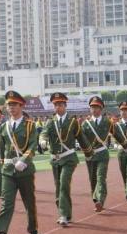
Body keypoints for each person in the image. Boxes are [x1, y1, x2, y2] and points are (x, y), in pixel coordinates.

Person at [0, 90, 40, 234]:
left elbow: (33, 145)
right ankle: (1, 233)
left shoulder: (30, 125)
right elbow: (3, 148)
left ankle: (33, 229)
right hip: (8, 171)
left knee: (29, 202)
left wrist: (24, 160)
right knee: (7, 203)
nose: (11, 107)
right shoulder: (4, 127)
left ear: (21, 105)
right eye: (9, 104)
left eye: (14, 104)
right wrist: (4, 163)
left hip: (25, 169)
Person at [39, 92, 93, 226]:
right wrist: (42, 140)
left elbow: (81, 137)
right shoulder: (51, 122)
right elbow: (44, 133)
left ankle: (63, 214)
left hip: (69, 158)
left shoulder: (72, 122)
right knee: (59, 187)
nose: (58, 107)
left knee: (63, 183)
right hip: (55, 159)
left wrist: (88, 153)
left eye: (60, 104)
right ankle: (66, 213)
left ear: (65, 105)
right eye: (55, 105)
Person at [81, 96, 124, 212]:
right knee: (93, 179)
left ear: (101, 109)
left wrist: (125, 145)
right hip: (90, 155)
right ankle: (96, 200)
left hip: (102, 154)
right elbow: (81, 139)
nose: (94, 110)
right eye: (92, 107)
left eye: (97, 107)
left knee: (100, 177)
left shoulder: (107, 122)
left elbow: (117, 134)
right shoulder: (85, 124)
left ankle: (100, 199)